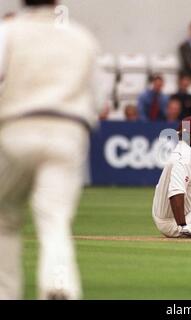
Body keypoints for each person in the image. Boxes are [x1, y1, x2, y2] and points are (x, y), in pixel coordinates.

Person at [0, 0, 102, 300]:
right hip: (68, 134)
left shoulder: (8, 32)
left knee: (4, 217)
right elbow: (98, 99)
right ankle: (58, 285)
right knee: (55, 219)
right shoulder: (82, 38)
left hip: (17, 129)